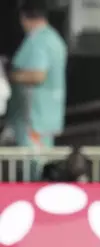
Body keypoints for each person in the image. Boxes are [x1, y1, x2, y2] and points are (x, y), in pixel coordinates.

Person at [6, 0, 66, 178]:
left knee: (33, 171)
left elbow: (37, 75)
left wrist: (10, 76)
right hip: (45, 118)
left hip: (34, 120)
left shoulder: (38, 40)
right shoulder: (55, 39)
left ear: (24, 17)